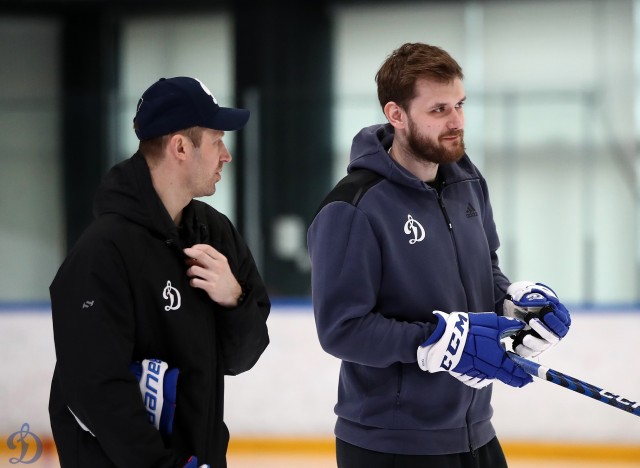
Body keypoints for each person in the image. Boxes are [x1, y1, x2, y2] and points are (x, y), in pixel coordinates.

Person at [307, 43, 571, 467]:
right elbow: (341, 329)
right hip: (390, 445)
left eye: (460, 105)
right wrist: (435, 342)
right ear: (396, 115)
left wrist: (512, 304)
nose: (457, 122)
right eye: (439, 110)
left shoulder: (467, 181)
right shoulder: (352, 208)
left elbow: (485, 268)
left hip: (475, 432)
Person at [49, 76, 270, 467]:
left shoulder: (214, 232)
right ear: (181, 147)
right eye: (217, 139)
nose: (226, 154)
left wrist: (234, 300)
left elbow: (241, 358)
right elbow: (96, 391)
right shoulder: (102, 253)